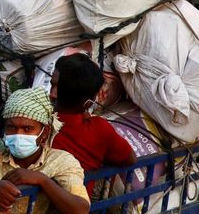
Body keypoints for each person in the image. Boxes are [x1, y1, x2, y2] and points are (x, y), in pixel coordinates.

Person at [49, 54, 136, 191]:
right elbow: (130, 158)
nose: (52, 94)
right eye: (52, 85)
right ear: (89, 100)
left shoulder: (36, 122)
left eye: (56, 86)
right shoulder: (99, 129)